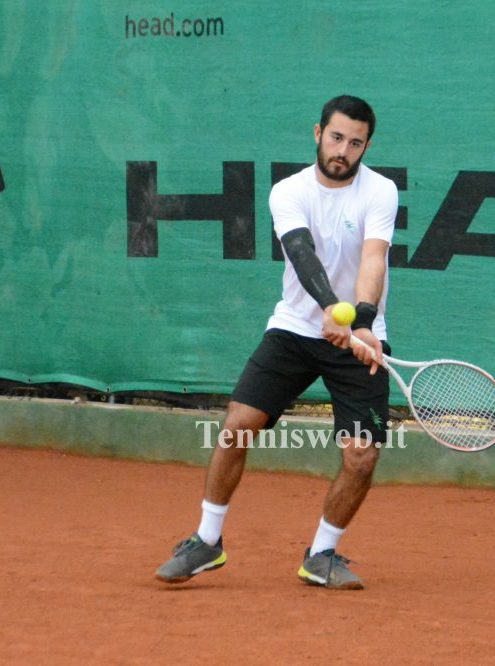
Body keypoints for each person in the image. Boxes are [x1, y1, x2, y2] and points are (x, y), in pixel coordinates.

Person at [155, 95, 399, 590]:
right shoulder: (288, 191)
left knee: (362, 455)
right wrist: (333, 310)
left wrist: (365, 321)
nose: (343, 150)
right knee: (238, 425)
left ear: (366, 145)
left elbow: (374, 259)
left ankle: (323, 555)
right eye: (336, 138)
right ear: (317, 133)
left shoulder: (381, 191)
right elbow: (301, 253)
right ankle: (206, 540)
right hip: (294, 327)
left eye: (355, 143)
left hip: (362, 338)